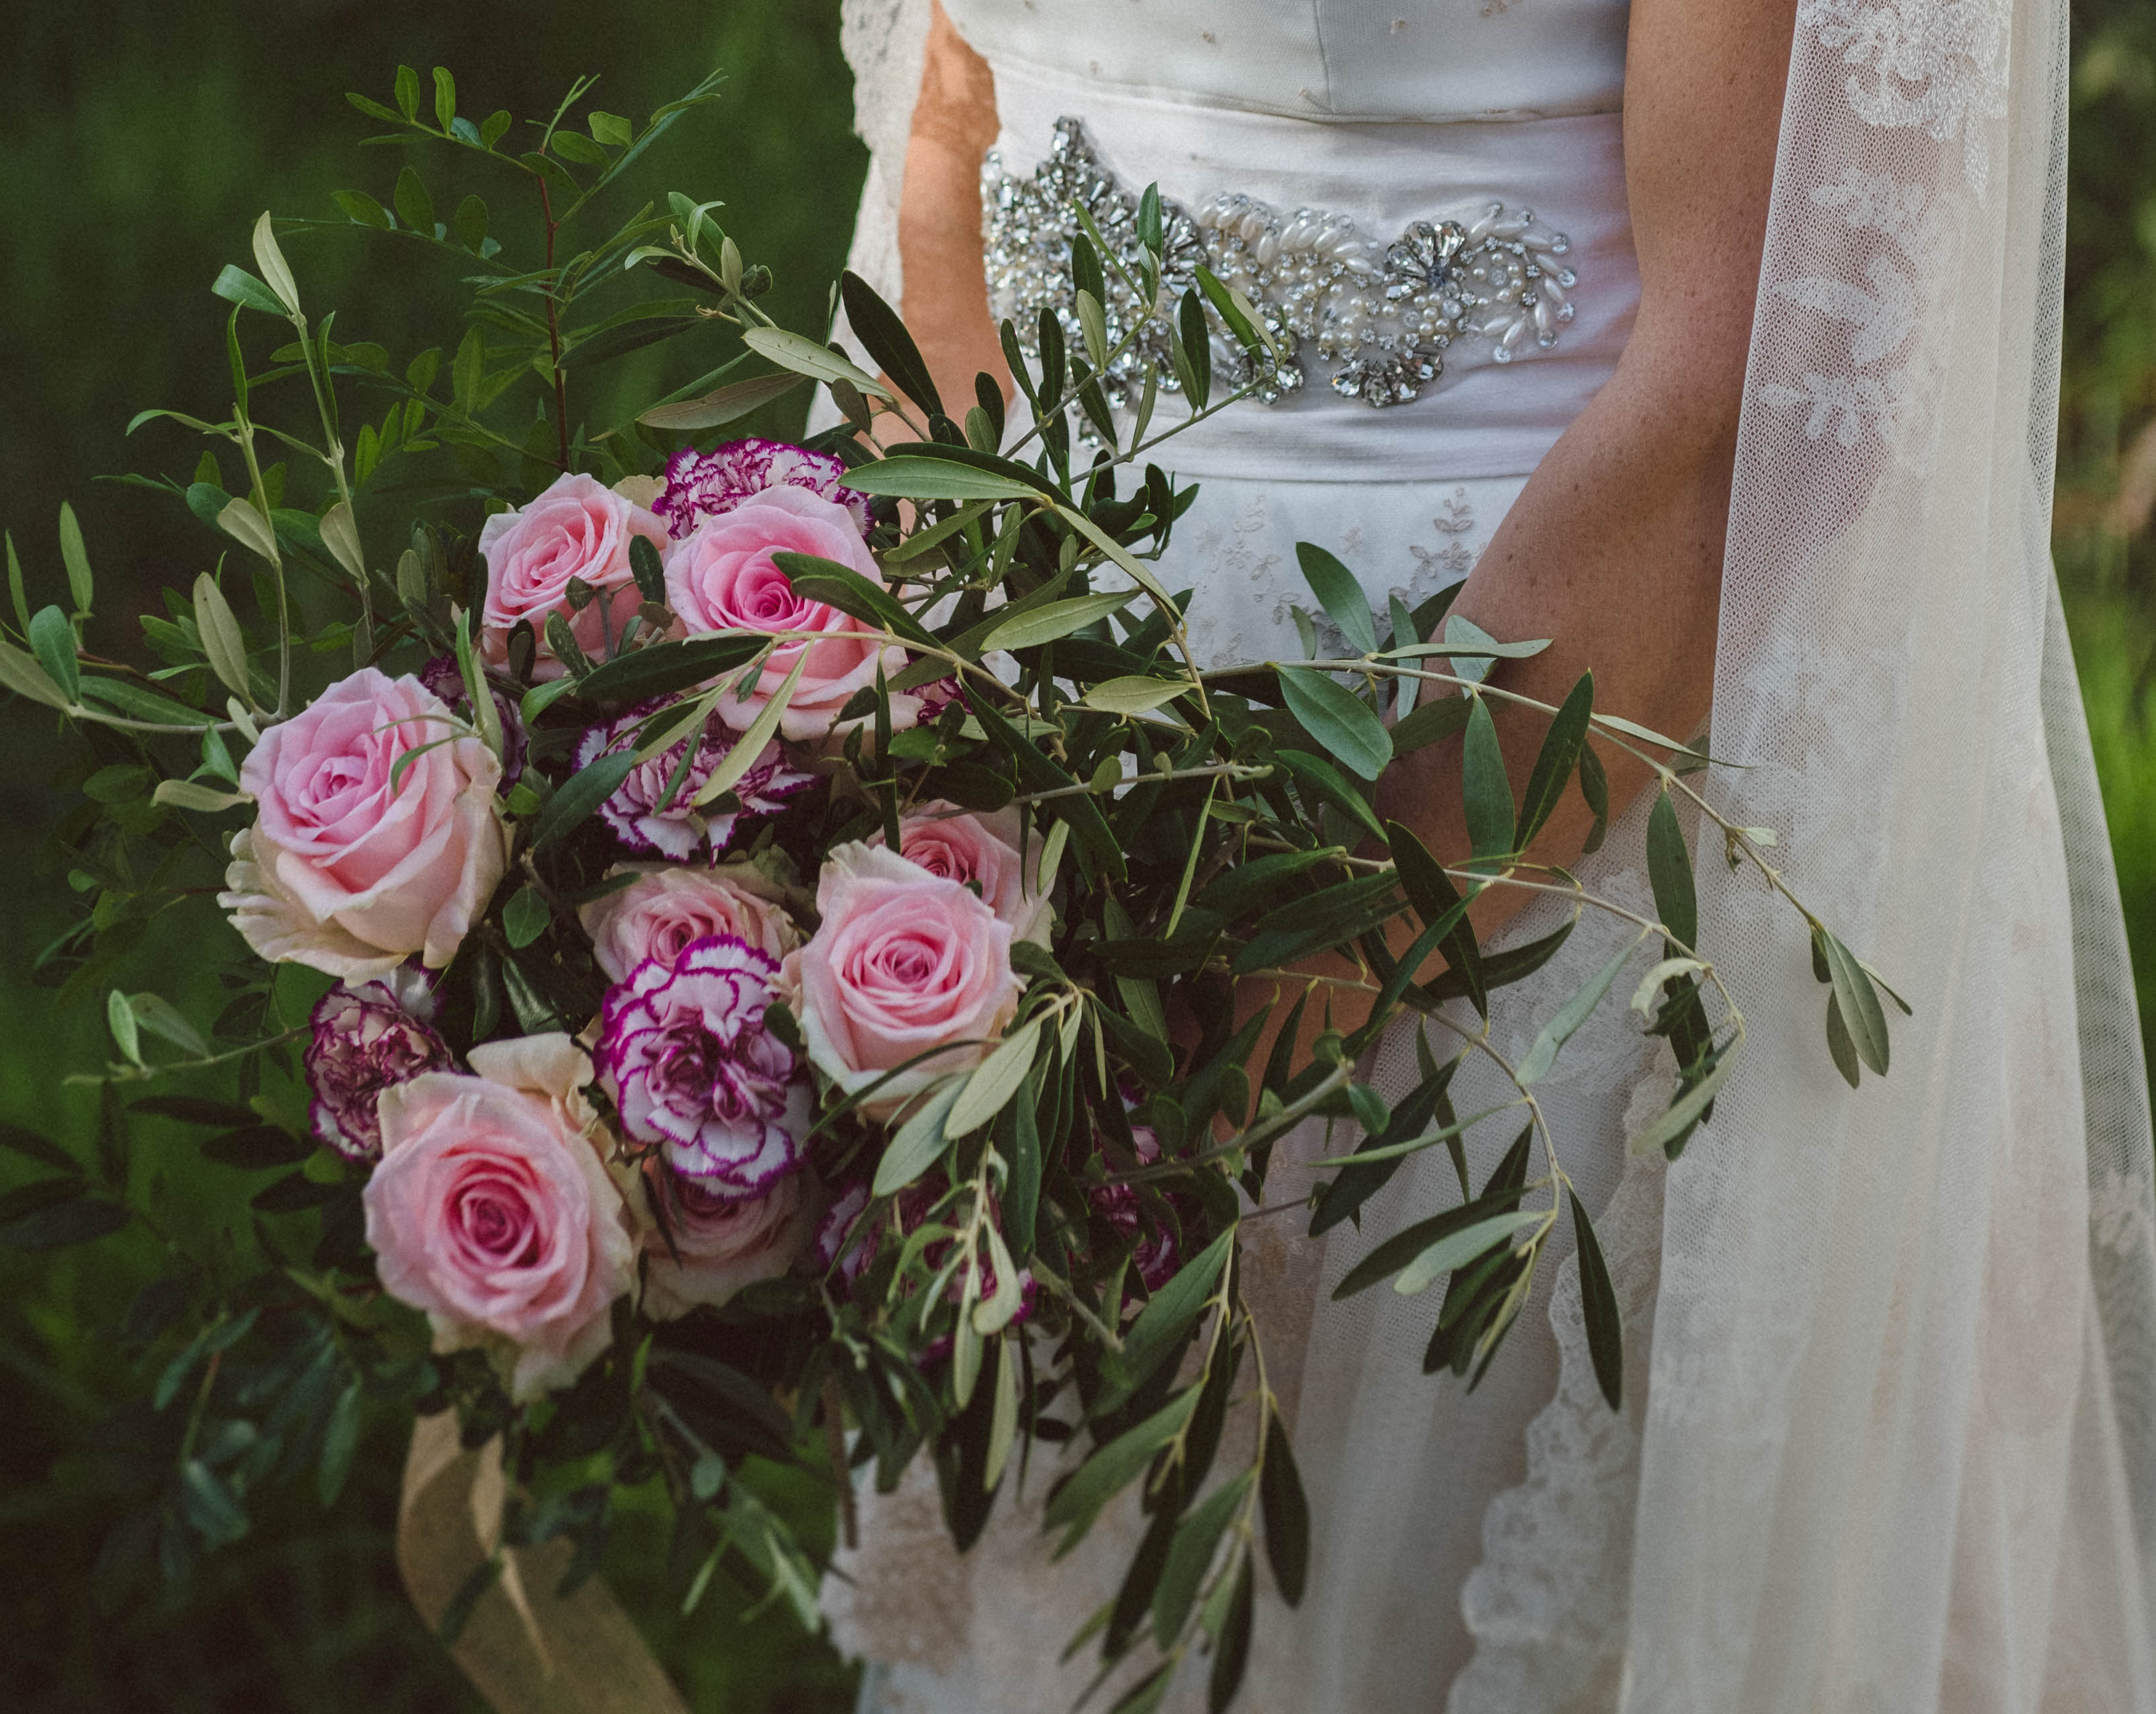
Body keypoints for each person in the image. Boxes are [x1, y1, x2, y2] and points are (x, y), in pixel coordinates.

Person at [817, 1, 2156, 1709]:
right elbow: (949, 129)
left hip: (1556, 805)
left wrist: (1273, 976)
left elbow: (1756, 390)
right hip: (1041, 814)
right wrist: (876, 750)